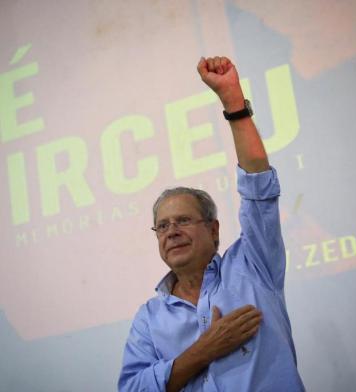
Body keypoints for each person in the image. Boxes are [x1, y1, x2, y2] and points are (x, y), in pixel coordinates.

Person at [118, 56, 305, 391]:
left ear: (214, 229)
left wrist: (233, 101)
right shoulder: (149, 318)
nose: (171, 231)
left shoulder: (253, 266)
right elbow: (132, 388)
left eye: (183, 220)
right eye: (162, 226)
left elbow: (258, 187)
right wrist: (203, 351)